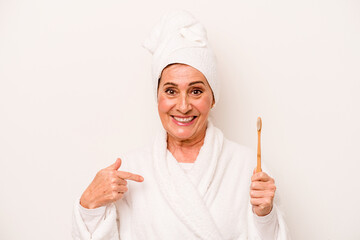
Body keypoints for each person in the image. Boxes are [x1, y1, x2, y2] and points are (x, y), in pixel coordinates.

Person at [72, 10, 289, 240]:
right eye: (171, 91)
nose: (183, 106)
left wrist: (265, 216)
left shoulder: (248, 169)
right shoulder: (129, 172)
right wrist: (89, 206)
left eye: (196, 91)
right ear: (158, 98)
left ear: (213, 97)